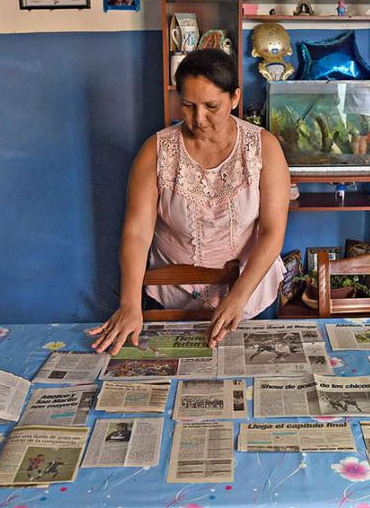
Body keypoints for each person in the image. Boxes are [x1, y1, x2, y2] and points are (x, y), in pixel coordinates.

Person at [89, 49, 289, 353]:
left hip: (250, 296)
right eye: (188, 105)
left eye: (212, 106)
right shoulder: (156, 151)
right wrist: (130, 304)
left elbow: (273, 231)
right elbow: (137, 233)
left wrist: (237, 298)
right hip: (172, 298)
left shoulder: (263, 148)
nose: (199, 119)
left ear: (235, 98)